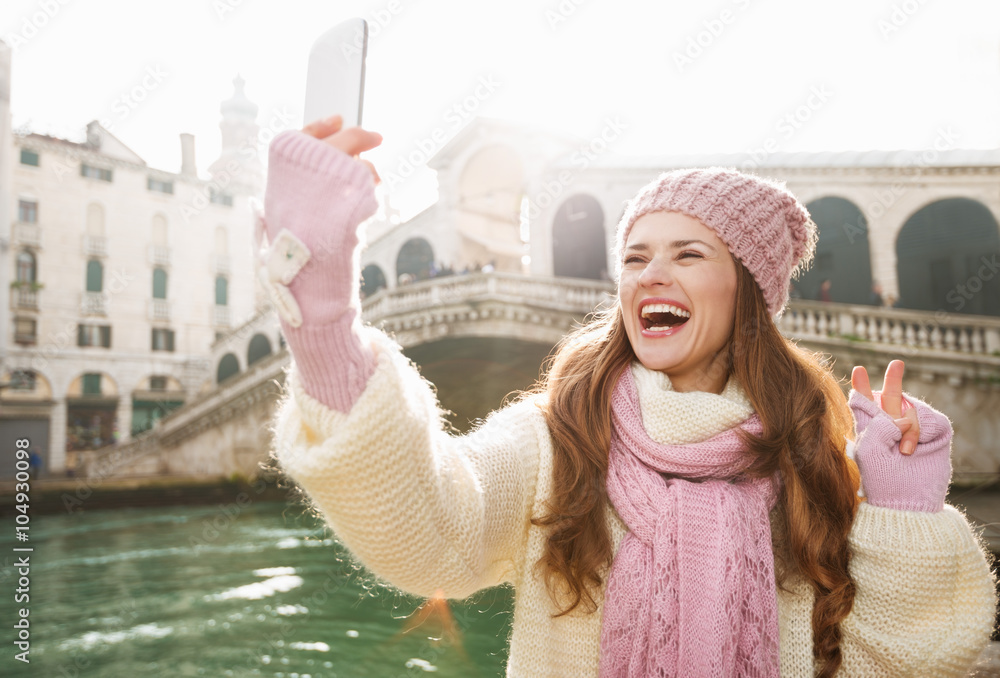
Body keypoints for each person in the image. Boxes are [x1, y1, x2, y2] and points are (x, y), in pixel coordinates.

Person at [261, 116, 996, 677]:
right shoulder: (558, 439)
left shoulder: (813, 459)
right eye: (636, 257)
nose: (650, 275)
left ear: (749, 291)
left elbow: (894, 661)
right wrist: (323, 321)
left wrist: (903, 513)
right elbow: (432, 530)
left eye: (688, 253)